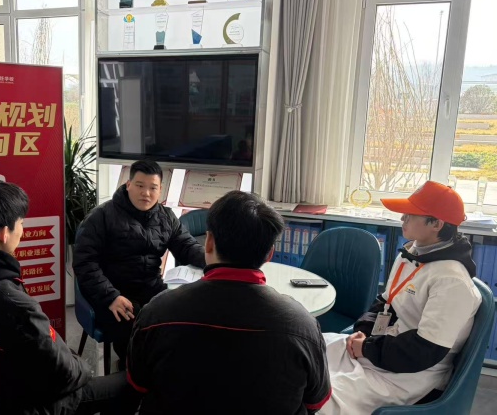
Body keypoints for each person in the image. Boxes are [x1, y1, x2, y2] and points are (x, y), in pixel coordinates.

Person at [0, 179, 139, 415]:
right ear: (3, 234)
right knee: (133, 383)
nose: (22, 230)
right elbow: (65, 375)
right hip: (25, 404)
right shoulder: (12, 305)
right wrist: (83, 366)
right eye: (20, 223)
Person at [127, 191, 331, 414]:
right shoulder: (303, 327)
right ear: (269, 254)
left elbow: (138, 385)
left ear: (209, 242)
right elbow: (315, 402)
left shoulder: (156, 314)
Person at [321, 181, 482, 414]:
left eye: (410, 214)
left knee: (322, 395)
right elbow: (386, 302)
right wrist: (364, 332)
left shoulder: (452, 281)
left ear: (436, 224)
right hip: (383, 348)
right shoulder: (411, 253)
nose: (402, 218)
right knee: (308, 347)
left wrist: (367, 348)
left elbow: (424, 351)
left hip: (410, 374)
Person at [73, 160, 205, 364]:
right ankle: (132, 373)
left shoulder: (166, 217)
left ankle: (163, 371)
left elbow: (187, 246)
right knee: (136, 332)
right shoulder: (102, 216)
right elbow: (84, 262)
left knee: (180, 319)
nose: (146, 193)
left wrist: (216, 261)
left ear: (160, 189)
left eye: (153, 188)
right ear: (128, 185)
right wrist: (111, 297)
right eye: (140, 186)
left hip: (151, 288)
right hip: (113, 293)